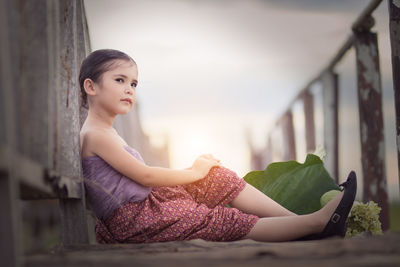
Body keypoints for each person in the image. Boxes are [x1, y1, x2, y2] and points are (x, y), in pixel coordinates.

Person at [79, 49, 357, 243]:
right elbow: (145, 175)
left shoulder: (106, 131)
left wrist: (201, 172)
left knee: (217, 178)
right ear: (91, 87)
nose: (130, 89)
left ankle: (297, 223)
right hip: (135, 221)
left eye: (134, 83)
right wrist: (194, 171)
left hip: (146, 206)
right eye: (120, 80)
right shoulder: (97, 135)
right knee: (221, 220)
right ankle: (315, 225)